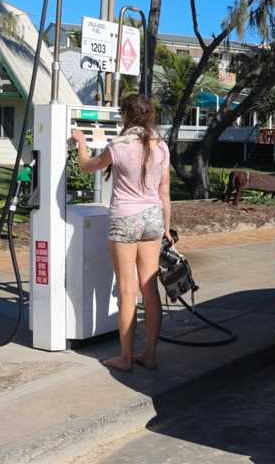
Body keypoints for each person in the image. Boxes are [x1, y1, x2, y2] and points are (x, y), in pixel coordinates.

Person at [70, 94, 172, 372]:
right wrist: (167, 227)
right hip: (153, 219)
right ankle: (149, 355)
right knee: (149, 289)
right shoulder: (161, 146)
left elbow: (87, 165)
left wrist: (80, 142)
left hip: (125, 219)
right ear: (150, 116)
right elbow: (164, 192)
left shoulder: (119, 145)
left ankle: (125, 358)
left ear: (126, 116)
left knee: (127, 291)